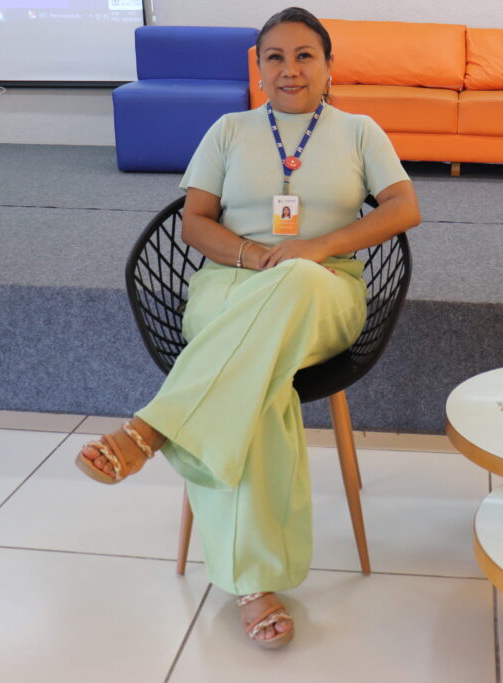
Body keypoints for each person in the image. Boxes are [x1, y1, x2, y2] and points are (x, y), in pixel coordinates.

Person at [75, 7, 420, 650]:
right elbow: (195, 222)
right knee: (256, 388)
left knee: (296, 284)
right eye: (274, 58)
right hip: (230, 286)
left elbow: (405, 208)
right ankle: (254, 585)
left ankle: (155, 427)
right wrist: (255, 257)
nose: (290, 69)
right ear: (259, 68)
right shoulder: (229, 130)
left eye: (305, 55)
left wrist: (315, 249)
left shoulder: (359, 131)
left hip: (324, 291)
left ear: (329, 65)